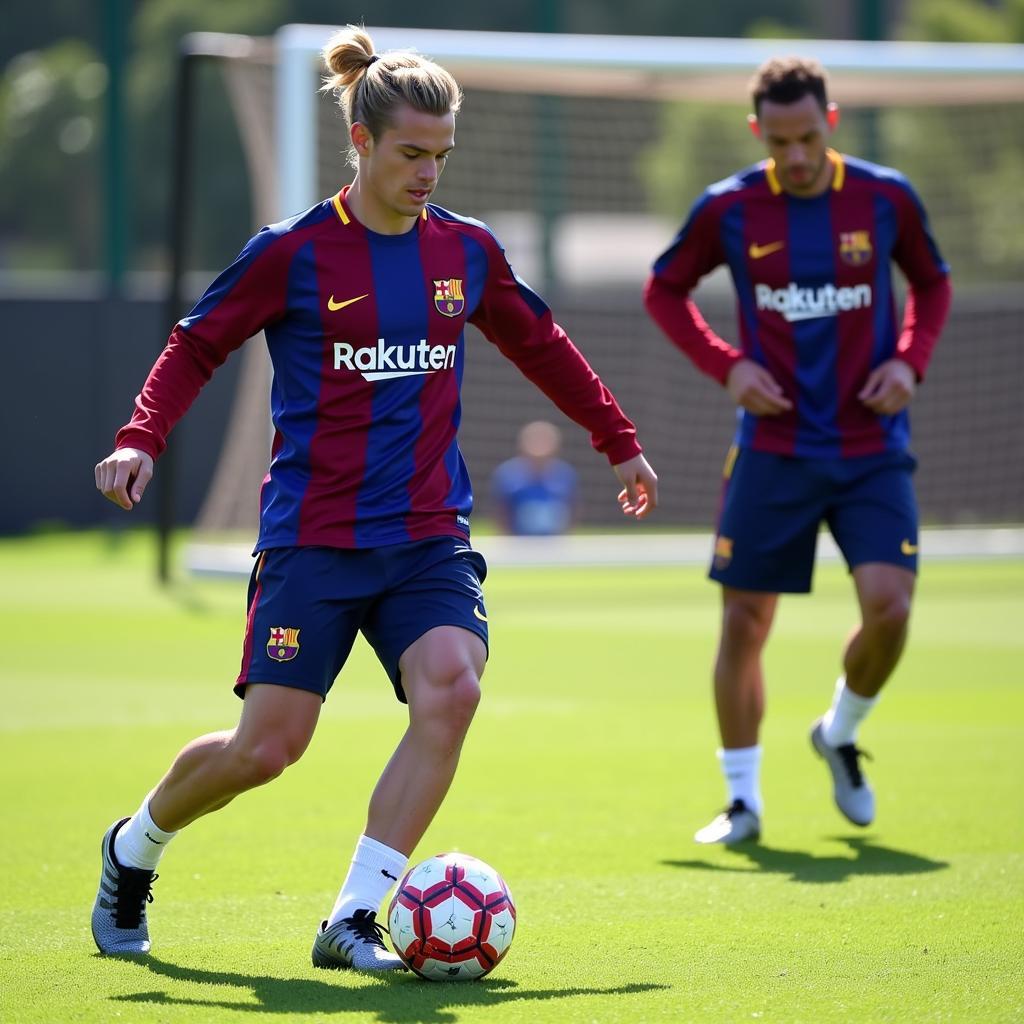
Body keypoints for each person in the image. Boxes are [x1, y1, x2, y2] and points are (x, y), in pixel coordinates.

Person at [91, 25, 658, 971]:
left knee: (453, 687)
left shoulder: (465, 253)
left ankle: (354, 917)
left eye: (441, 155)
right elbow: (197, 343)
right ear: (359, 142)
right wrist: (140, 436)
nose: (429, 172)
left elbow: (541, 343)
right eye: (410, 153)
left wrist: (618, 441)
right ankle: (133, 847)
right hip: (313, 538)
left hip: (428, 534)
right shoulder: (293, 252)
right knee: (268, 749)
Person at [644, 56, 950, 845]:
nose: (798, 155)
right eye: (780, 142)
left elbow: (933, 283)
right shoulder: (731, 208)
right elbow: (663, 289)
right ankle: (743, 802)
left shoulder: (885, 197)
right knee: (744, 623)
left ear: (831, 121)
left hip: (870, 448)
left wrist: (909, 360)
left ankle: (840, 731)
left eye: (809, 136)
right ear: (759, 134)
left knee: (892, 609)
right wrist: (727, 364)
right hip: (772, 449)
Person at [491, 419, 578, 536]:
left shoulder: (566, 474)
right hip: (518, 543)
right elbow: (500, 511)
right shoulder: (507, 474)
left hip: (554, 544)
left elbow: (573, 508)